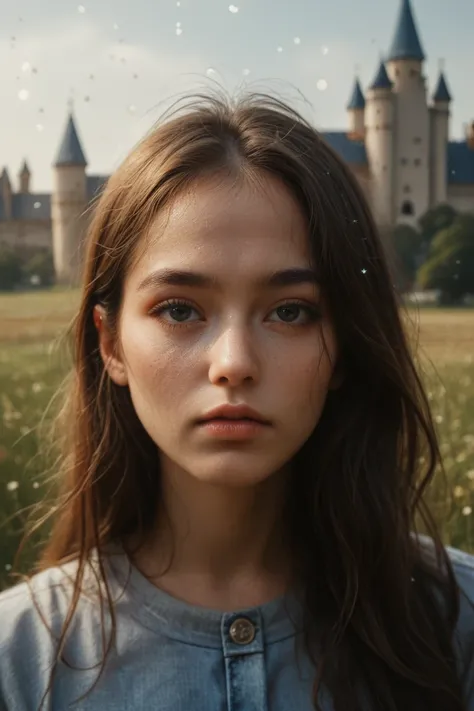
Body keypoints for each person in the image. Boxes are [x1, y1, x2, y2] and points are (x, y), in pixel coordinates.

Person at [0, 92, 473, 711]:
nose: (234, 364)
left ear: (347, 344)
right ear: (110, 342)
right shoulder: (19, 663)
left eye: (290, 312)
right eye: (179, 309)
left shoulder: (455, 629)